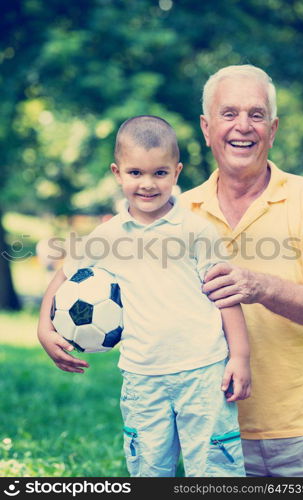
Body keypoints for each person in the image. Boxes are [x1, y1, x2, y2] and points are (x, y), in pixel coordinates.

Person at [37, 115, 251, 477]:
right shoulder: (108, 236)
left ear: (177, 172)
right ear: (117, 173)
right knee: (149, 471)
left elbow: (225, 296)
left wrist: (241, 356)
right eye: (135, 173)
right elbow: (63, 277)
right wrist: (45, 330)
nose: (148, 184)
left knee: (215, 470)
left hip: (204, 371)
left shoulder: (196, 231)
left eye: (160, 173)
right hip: (142, 376)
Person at [180, 65, 303, 477]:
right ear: (206, 128)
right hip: (212, 432)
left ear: (273, 130)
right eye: (229, 113)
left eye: (256, 115)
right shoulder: (176, 213)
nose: (244, 126)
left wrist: (259, 286)